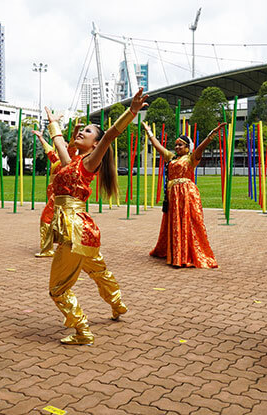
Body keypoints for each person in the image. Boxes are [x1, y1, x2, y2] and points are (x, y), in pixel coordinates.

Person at [34, 88, 148, 345]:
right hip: (82, 231)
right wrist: (52, 123)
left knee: (58, 289)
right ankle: (118, 305)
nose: (81, 132)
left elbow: (109, 136)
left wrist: (131, 112)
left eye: (87, 131)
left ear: (95, 143)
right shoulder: (71, 163)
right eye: (81, 129)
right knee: (99, 272)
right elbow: (60, 144)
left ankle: (82, 330)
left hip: (74, 230)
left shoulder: (90, 162)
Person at [144, 122, 224, 268]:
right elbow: (158, 147)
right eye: (176, 145)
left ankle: (185, 254)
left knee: (188, 221)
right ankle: (176, 251)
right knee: (175, 222)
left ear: (187, 148)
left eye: (180, 145)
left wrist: (212, 134)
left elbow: (201, 147)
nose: (177, 147)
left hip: (187, 194)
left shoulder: (191, 158)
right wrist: (149, 133)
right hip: (173, 195)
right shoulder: (171, 158)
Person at [34, 123, 80, 258]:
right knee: (58, 220)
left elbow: (72, 146)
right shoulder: (56, 159)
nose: (61, 147)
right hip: (53, 193)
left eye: (64, 146)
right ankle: (64, 245)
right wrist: (41, 138)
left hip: (59, 194)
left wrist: (75, 131)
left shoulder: (69, 159)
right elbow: (48, 149)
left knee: (46, 218)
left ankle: (48, 248)